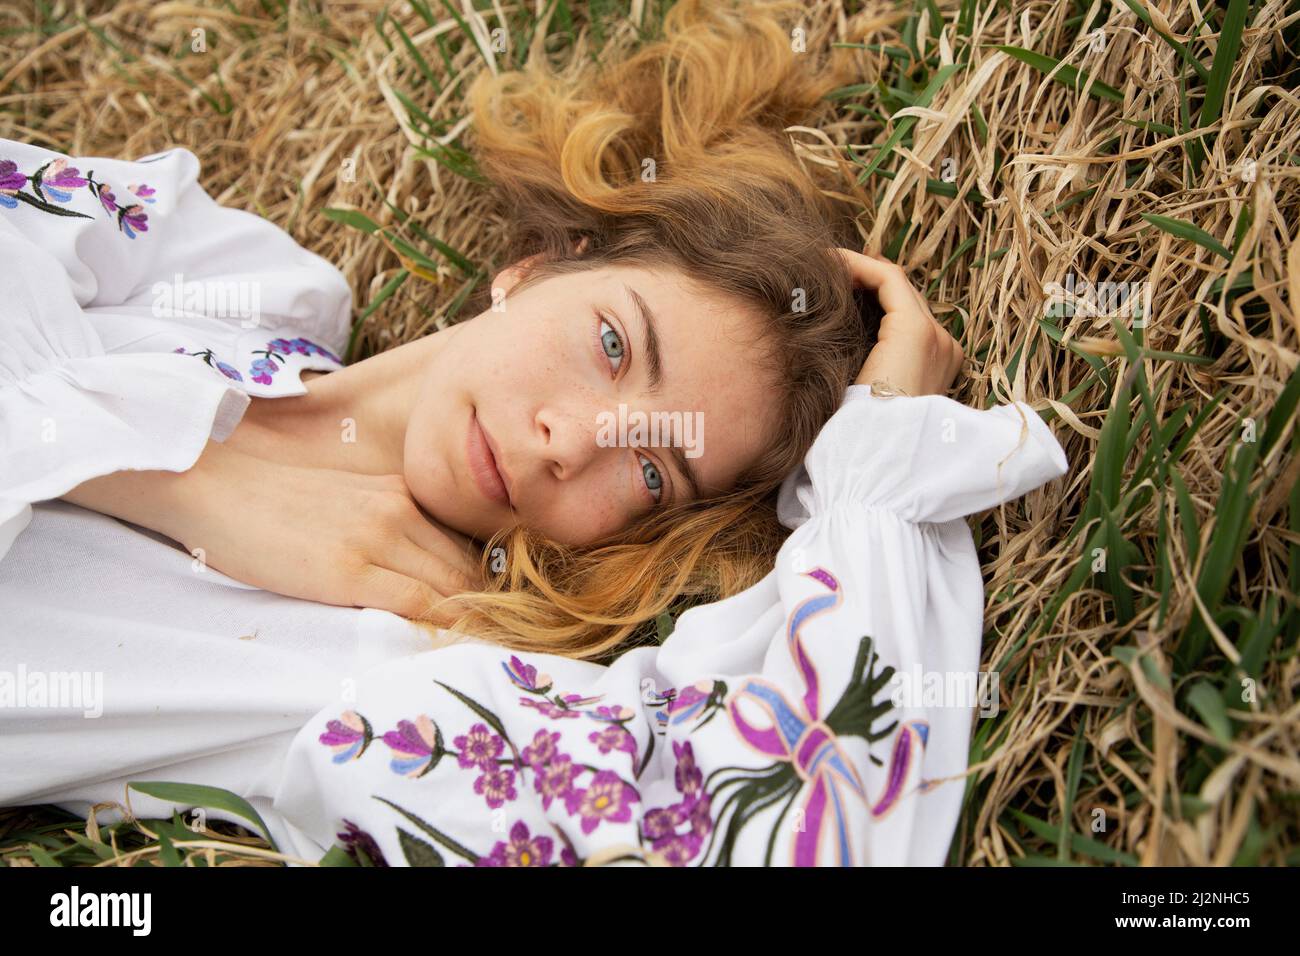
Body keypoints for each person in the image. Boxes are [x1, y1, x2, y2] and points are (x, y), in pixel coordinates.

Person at [0, 1, 1069, 864]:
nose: (571, 441)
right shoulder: (241, 282)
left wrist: (878, 466)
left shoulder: (394, 661)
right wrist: (172, 474)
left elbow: (821, 828)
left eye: (652, 465)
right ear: (535, 267)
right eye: (611, 344)